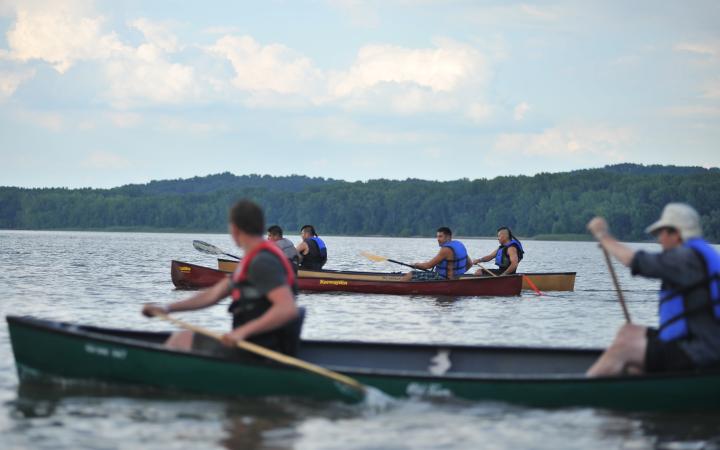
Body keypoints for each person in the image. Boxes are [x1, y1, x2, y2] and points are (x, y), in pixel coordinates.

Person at [142, 200, 301, 356]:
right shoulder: (253, 259)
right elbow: (212, 294)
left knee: (181, 339)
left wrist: (241, 332)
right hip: (251, 343)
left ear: (235, 229)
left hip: (262, 350)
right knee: (183, 337)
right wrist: (167, 308)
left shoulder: (262, 262)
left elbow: (287, 309)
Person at [586, 203, 720, 376]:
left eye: (661, 233)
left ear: (676, 233)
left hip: (699, 355)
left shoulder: (685, 258)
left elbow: (634, 261)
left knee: (625, 346)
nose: (659, 240)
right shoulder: (700, 255)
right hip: (700, 347)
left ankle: (575, 396)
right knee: (629, 332)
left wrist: (603, 236)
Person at [402, 227, 472, 281]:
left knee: (411, 274)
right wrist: (459, 274)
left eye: (440, 236)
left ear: (448, 237)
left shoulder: (445, 250)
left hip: (443, 279)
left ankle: (399, 290)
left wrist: (415, 265)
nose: (438, 239)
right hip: (456, 278)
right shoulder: (459, 245)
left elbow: (427, 266)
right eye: (437, 236)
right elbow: (470, 263)